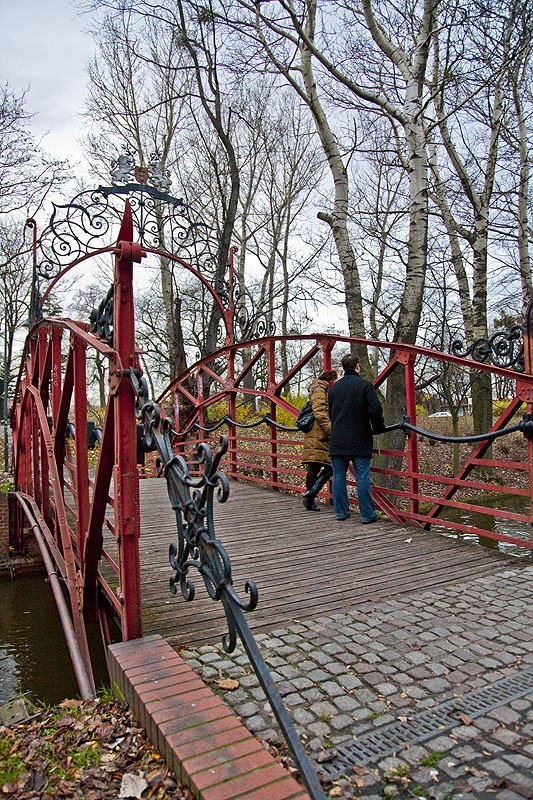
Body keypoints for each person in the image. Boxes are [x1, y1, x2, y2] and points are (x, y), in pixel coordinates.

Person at [328, 353, 385, 522]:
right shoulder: (365, 386)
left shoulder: (333, 389)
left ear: (343, 368)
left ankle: (340, 512)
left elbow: (331, 413)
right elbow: (375, 410)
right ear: (358, 367)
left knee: (338, 476)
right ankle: (367, 514)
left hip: (338, 438)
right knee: (362, 477)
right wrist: (378, 428)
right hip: (360, 437)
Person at [301, 369, 338, 511]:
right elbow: (319, 411)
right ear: (330, 380)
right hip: (319, 433)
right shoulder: (320, 389)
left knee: (316, 466)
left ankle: (310, 498)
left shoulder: (319, 388)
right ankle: (310, 496)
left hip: (318, 433)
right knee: (324, 467)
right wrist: (330, 429)